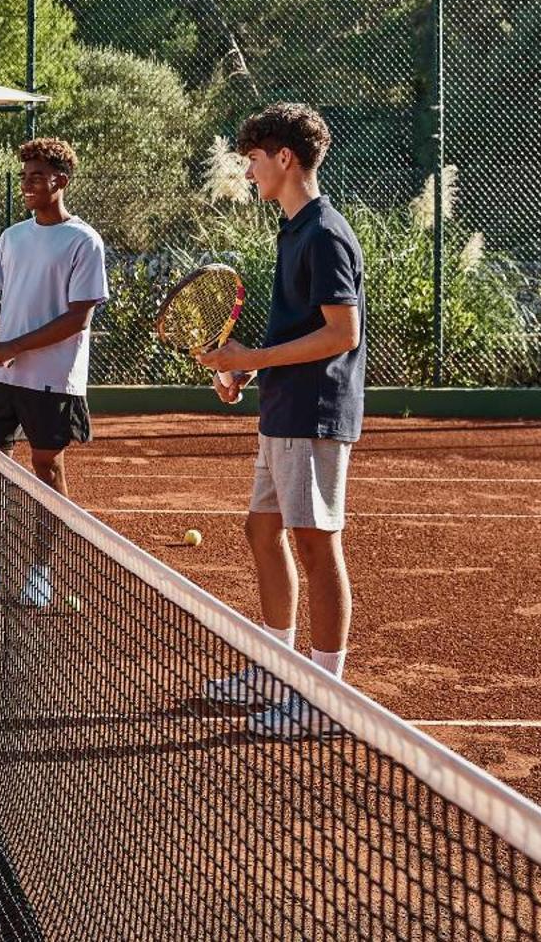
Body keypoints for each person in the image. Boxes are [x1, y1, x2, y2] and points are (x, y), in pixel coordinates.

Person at [196, 103, 365, 738]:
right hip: (283, 408)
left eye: (254, 159)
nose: (248, 171)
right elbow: (300, 329)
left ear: (285, 159)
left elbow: (341, 333)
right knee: (261, 531)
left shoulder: (323, 233)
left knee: (317, 547)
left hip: (315, 414)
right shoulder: (292, 229)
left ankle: (324, 695)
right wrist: (248, 371)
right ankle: (275, 667)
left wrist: (256, 358)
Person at [0, 137, 109, 608]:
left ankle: (40, 572)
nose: (27, 184)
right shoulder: (11, 237)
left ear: (61, 180)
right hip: (2, 380)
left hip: (52, 379)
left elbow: (79, 317)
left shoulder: (84, 241)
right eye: (24, 176)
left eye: (37, 176)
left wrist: (15, 345)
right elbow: (6, 307)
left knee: (46, 466)